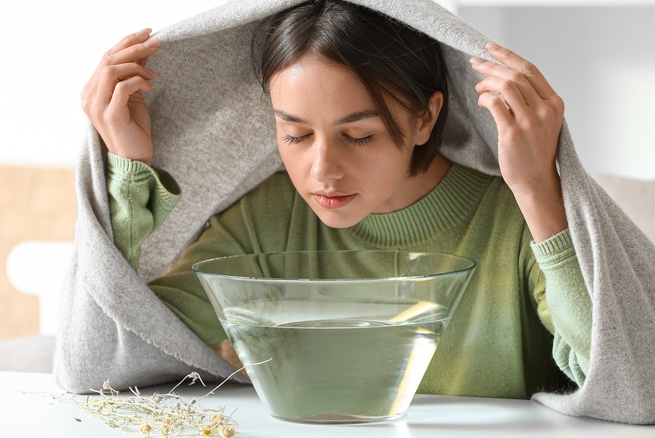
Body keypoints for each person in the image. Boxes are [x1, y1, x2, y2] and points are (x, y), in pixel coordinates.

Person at [57, 0, 655, 424]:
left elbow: (628, 382)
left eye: (359, 136)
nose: (322, 171)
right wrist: (127, 171)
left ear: (426, 117)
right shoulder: (266, 220)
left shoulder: (511, 220)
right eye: (295, 135)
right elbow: (101, 360)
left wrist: (536, 189)